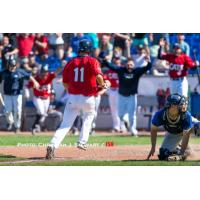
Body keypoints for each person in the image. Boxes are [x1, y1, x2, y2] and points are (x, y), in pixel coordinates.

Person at [46, 39, 109, 159]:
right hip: (88, 98)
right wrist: (103, 85)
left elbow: (65, 82)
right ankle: (82, 142)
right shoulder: (92, 61)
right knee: (89, 117)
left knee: (65, 125)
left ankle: (52, 144)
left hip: (73, 97)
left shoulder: (71, 62)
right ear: (89, 50)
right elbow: (99, 75)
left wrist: (72, 91)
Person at [102, 56, 152, 136]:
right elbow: (110, 66)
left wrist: (148, 62)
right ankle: (125, 120)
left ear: (134, 65)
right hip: (121, 96)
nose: (129, 66)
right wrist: (105, 60)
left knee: (132, 115)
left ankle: (133, 130)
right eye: (128, 65)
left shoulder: (137, 71)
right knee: (120, 114)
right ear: (125, 65)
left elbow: (147, 68)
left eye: (131, 65)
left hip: (132, 96)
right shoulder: (121, 70)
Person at [147, 94, 198, 161]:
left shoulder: (186, 115)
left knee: (198, 127)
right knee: (163, 154)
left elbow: (186, 134)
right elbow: (153, 130)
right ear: (172, 106)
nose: (183, 106)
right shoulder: (160, 115)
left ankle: (182, 150)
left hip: (189, 129)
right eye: (180, 104)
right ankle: (180, 149)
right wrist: (153, 147)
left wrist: (181, 154)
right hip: (174, 133)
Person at [0, 56, 39, 133]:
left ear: (15, 65)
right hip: (7, 94)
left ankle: (17, 127)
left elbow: (29, 76)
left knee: (18, 110)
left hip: (17, 94)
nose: (11, 68)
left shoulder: (20, 72)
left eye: (13, 66)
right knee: (7, 111)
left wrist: (35, 82)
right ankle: (10, 123)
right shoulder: (4, 72)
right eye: (10, 66)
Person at [28, 64, 62, 135]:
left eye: (46, 72)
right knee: (41, 112)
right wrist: (29, 89)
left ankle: (35, 127)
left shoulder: (49, 76)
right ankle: (36, 126)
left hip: (46, 99)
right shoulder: (36, 78)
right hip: (38, 98)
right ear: (40, 72)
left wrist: (62, 66)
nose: (45, 73)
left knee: (43, 114)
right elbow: (28, 85)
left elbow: (57, 72)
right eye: (43, 72)